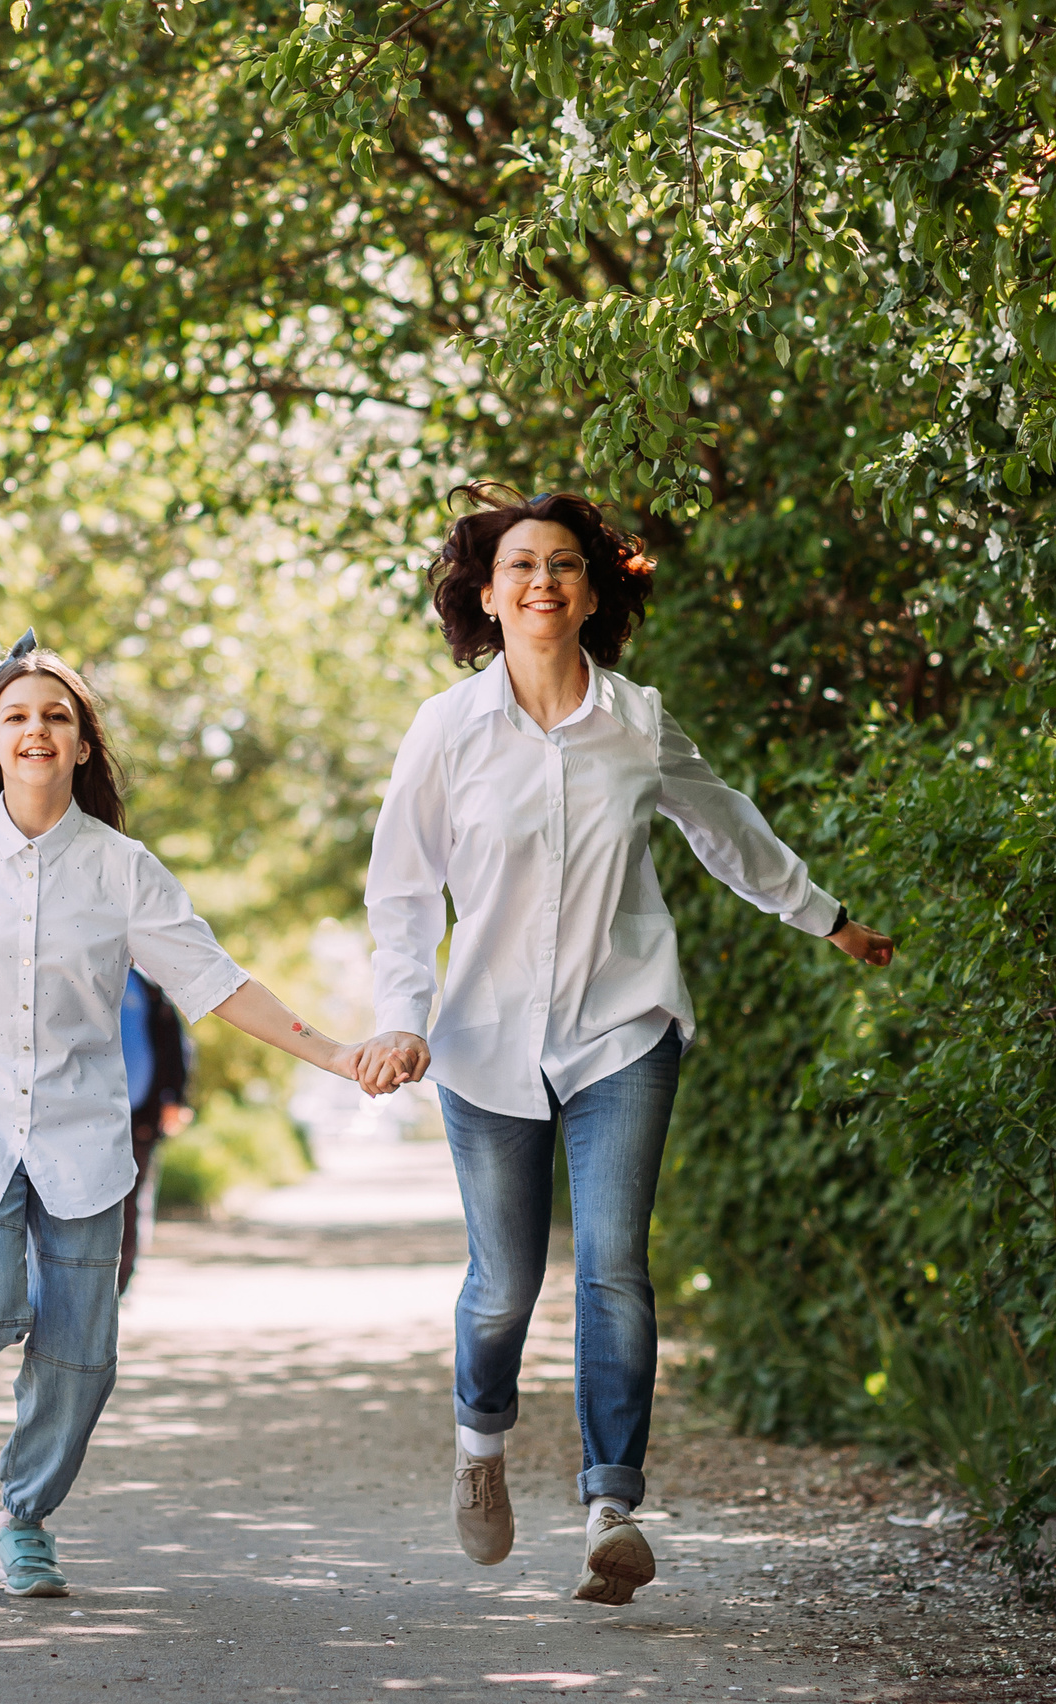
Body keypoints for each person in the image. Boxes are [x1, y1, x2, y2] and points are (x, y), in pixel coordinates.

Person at [354, 487, 895, 1607]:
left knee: (611, 1265)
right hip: (484, 1037)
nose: (541, 580)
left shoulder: (636, 721)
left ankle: (611, 1506)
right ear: (486, 596)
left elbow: (724, 821)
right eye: (519, 567)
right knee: (502, 1287)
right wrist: (403, 1014)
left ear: (591, 592)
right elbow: (402, 891)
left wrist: (822, 914)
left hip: (622, 1025)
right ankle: (481, 1450)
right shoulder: (443, 731)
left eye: (563, 564)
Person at [0, 631, 378, 1599]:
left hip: (83, 1140)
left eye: (56, 715)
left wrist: (338, 1053)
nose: (36, 730)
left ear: (83, 745)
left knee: (80, 1355)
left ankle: (24, 1520)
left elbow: (216, 985)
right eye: (16, 715)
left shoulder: (123, 869)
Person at [115, 967, 194, 1295]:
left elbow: (175, 1045)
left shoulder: (148, 987)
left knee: (131, 1199)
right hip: (78, 1114)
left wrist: (175, 1099)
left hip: (140, 1114)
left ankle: (120, 1284)